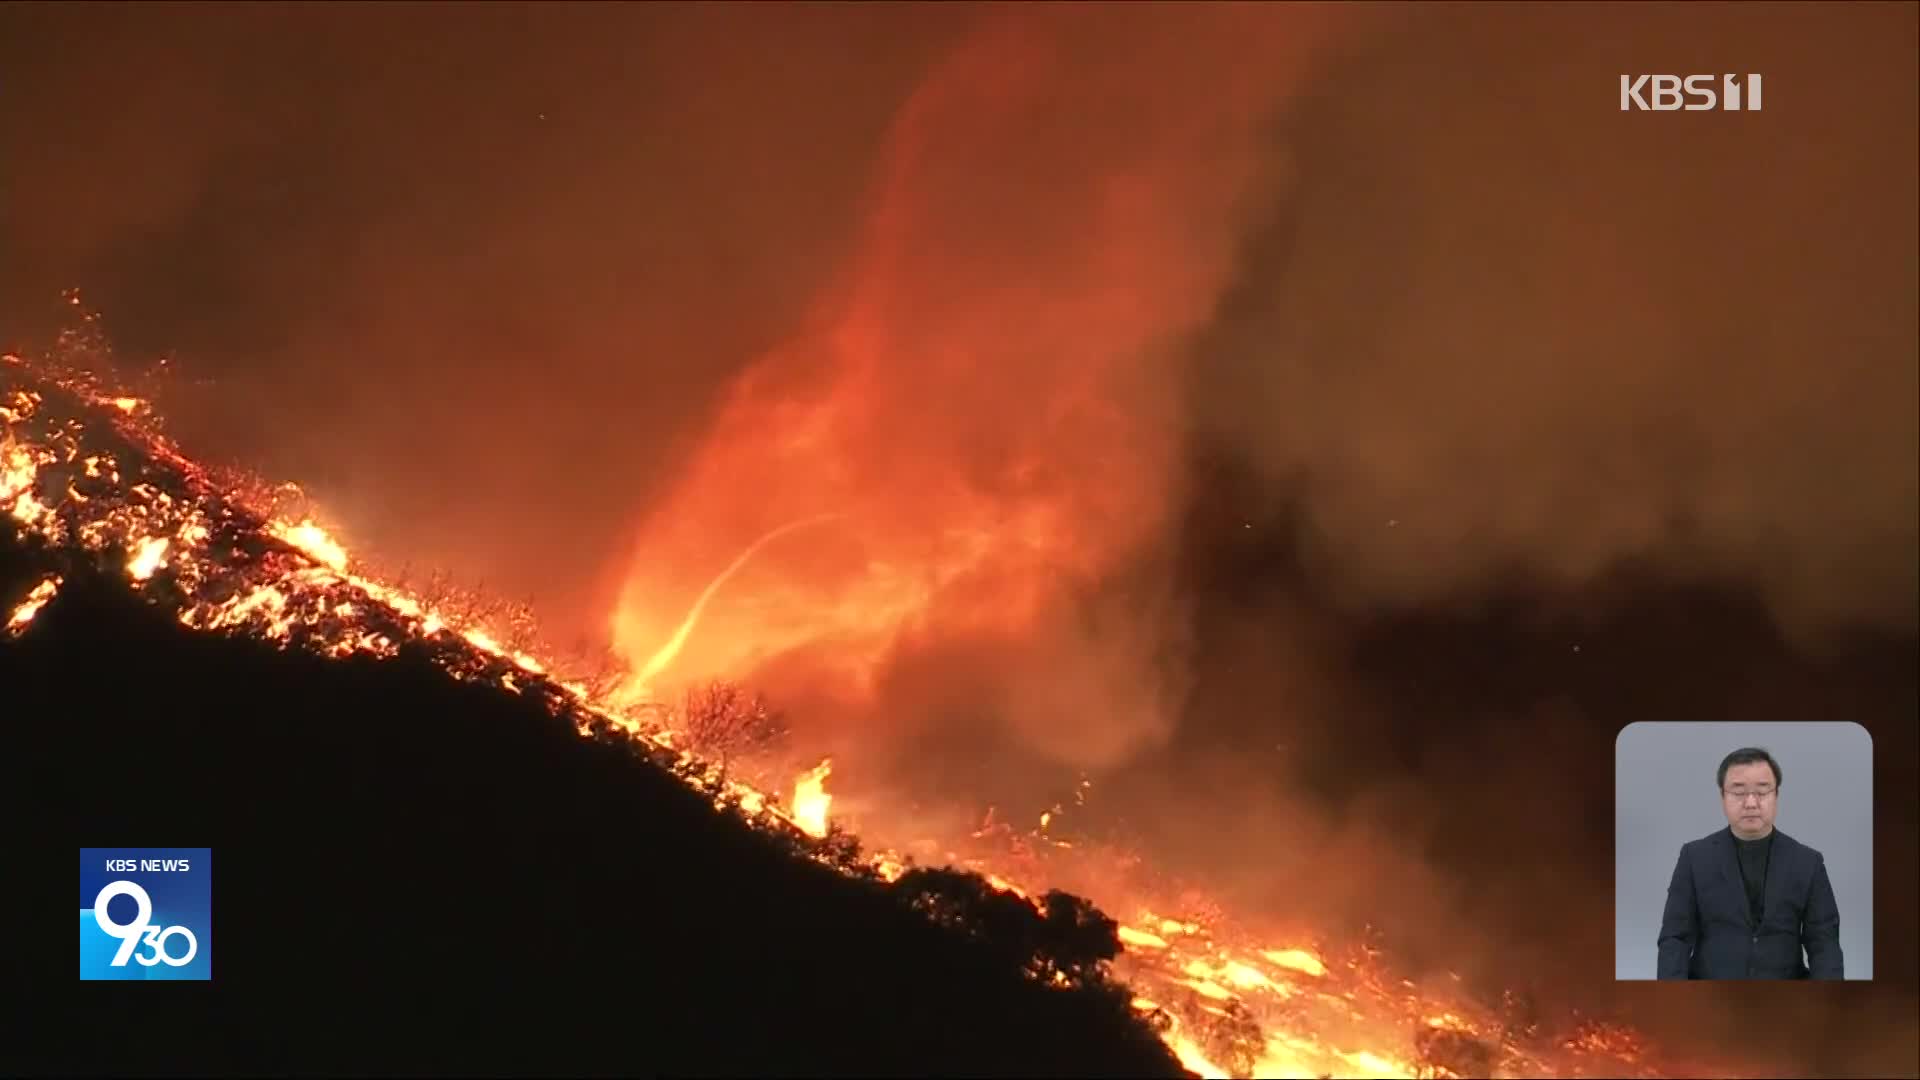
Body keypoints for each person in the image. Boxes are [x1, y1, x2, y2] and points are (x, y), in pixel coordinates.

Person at [1656, 747, 1843, 979]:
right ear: (1722, 796)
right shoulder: (1694, 858)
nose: (1751, 803)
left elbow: (1824, 943)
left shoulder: (1808, 862)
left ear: (1777, 795)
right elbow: (1676, 938)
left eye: (1762, 791)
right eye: (1738, 792)